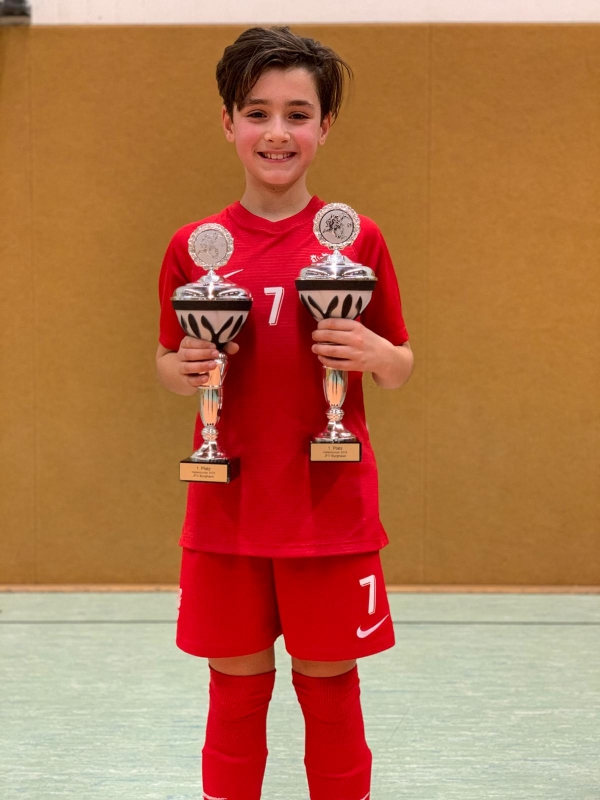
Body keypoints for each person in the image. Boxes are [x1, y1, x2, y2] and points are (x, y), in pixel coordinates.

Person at [156, 26, 414, 800]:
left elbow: (400, 365)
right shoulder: (193, 247)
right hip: (227, 511)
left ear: (324, 126)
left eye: (297, 114)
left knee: (330, 698)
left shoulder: (358, 241)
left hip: (328, 511)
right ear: (228, 123)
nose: (277, 132)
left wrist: (373, 351)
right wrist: (185, 368)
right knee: (234, 698)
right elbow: (167, 362)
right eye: (257, 112)